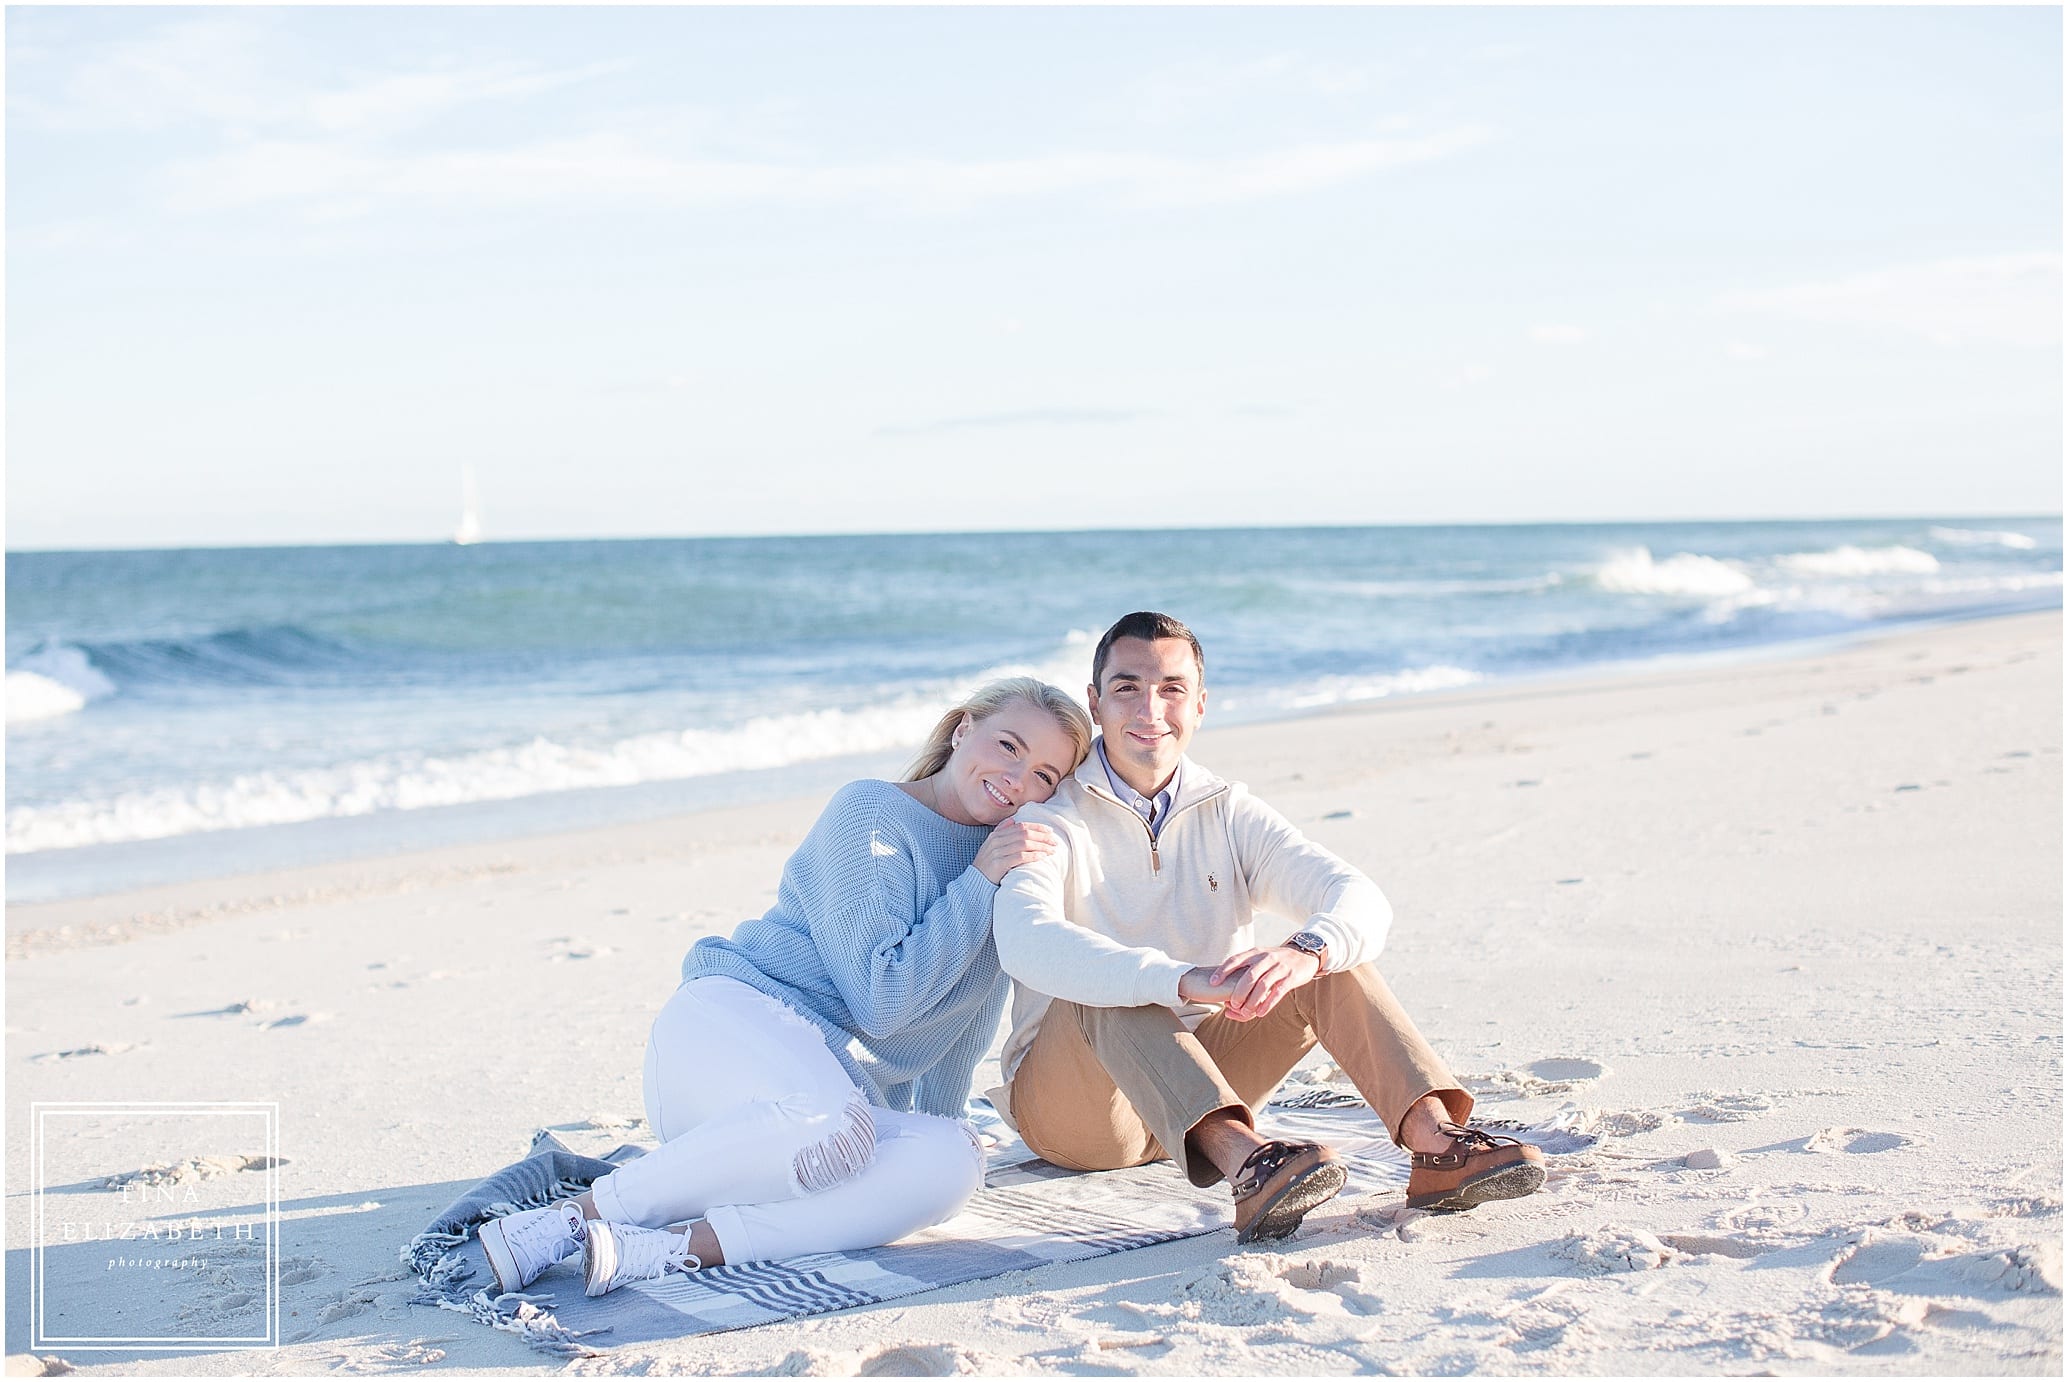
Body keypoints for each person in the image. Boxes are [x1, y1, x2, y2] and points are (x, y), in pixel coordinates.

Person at [478, 676, 1094, 1296]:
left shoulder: (1004, 860)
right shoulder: (873, 814)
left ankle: (669, 1248)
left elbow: (963, 1021)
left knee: (956, 1161)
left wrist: (927, 1129)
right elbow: (882, 1002)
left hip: (816, 1126)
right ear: (963, 730)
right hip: (728, 1033)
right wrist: (980, 879)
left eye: (1045, 774)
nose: (1018, 778)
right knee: (831, 1121)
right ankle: (567, 1222)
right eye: (1009, 745)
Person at [991, 612, 1543, 1244]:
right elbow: (1027, 940)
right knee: (1112, 985)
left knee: (1329, 954)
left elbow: (1357, 896)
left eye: (1172, 688)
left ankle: (1436, 1146)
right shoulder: (1050, 818)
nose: (1151, 708)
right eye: (1127, 688)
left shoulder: (1227, 810)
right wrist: (1182, 980)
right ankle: (1250, 1167)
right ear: (1095, 703)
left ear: (1200, 705)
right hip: (1083, 1114)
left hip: (1211, 1078)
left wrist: (1307, 953)